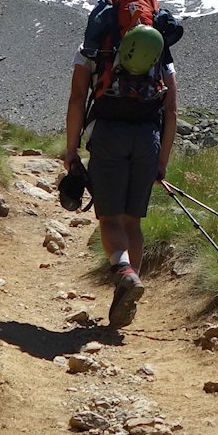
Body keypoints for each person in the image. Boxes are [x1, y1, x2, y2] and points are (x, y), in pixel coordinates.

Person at [63, 17, 177, 330]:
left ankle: (124, 271)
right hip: (147, 139)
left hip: (108, 135)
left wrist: (71, 150)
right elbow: (171, 110)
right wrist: (161, 162)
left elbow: (77, 98)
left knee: (110, 219)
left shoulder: (94, 45)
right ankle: (125, 295)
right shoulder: (160, 49)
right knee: (132, 222)